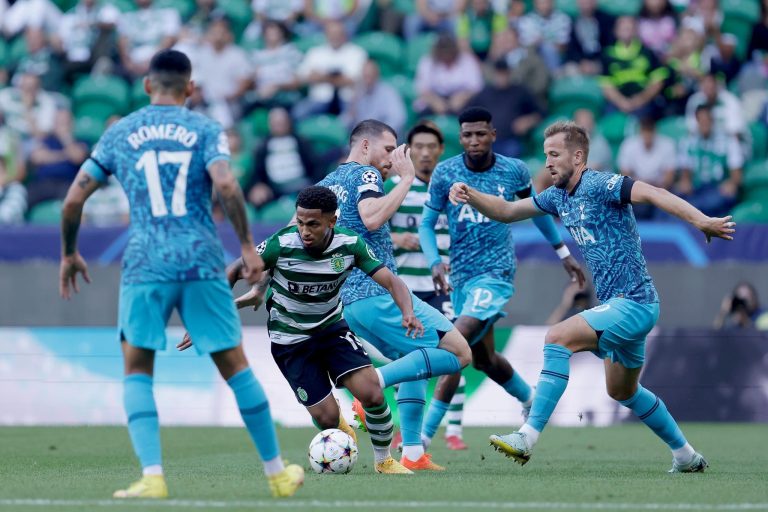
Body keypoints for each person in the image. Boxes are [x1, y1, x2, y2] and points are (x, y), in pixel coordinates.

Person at [57, 49, 303, 499]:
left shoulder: (119, 133)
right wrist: (248, 247)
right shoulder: (206, 129)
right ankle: (276, 474)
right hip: (201, 260)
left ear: (148, 85)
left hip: (146, 262)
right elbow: (226, 184)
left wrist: (70, 252)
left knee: (137, 368)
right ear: (190, 88)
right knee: (235, 366)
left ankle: (152, 476)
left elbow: (73, 200)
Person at [449, 120, 736, 472]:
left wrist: (702, 221)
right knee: (623, 392)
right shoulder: (556, 196)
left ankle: (527, 435)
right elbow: (507, 212)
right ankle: (686, 455)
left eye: (554, 155)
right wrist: (469, 194)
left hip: (634, 302)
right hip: (620, 307)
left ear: (579, 156)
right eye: (545, 156)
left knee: (557, 337)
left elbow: (654, 194)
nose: (548, 162)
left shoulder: (601, 184)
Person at [183, 185, 415, 474]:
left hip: (332, 329)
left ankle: (384, 461)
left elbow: (392, 281)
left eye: (313, 224)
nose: (304, 230)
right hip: (290, 339)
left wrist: (408, 312)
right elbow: (234, 270)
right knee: (327, 418)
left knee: (373, 394)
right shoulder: (281, 244)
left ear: (332, 221)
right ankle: (341, 430)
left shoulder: (349, 244)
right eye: (301, 222)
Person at [419, 107, 585, 454]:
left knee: (455, 341)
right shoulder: (446, 172)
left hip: (495, 274)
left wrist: (563, 253)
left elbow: (535, 210)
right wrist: (435, 261)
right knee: (483, 359)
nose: (475, 140)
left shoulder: (513, 170)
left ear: (493, 134)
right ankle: (530, 399)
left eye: (481, 134)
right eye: (468, 134)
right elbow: (426, 223)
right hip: (460, 278)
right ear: (460, 137)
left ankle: (420, 440)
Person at [317, 119, 472, 471]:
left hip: (350, 302)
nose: (394, 156)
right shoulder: (367, 175)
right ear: (366, 146)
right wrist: (406, 177)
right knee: (460, 353)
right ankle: (374, 385)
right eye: (389, 149)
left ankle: (413, 452)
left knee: (413, 362)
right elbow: (371, 218)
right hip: (378, 292)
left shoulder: (326, 184)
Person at [384, 120, 468, 450]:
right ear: (409, 150)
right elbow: (371, 229)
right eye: (418, 146)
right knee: (407, 358)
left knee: (455, 353)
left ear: (440, 151)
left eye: (431, 147)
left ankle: (454, 429)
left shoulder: (452, 190)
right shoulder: (394, 186)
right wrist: (396, 239)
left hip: (443, 287)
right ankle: (407, 427)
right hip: (406, 288)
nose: (424, 153)